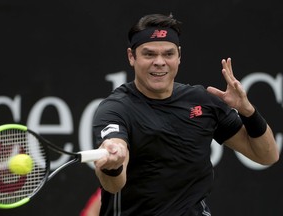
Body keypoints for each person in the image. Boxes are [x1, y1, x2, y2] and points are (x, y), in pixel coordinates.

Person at [92, 13, 279, 216]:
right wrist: (114, 163)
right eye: (149, 54)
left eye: (168, 54)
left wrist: (248, 111)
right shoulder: (115, 109)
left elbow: (267, 155)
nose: (160, 62)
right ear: (131, 57)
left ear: (179, 56)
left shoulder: (202, 101)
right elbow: (113, 184)